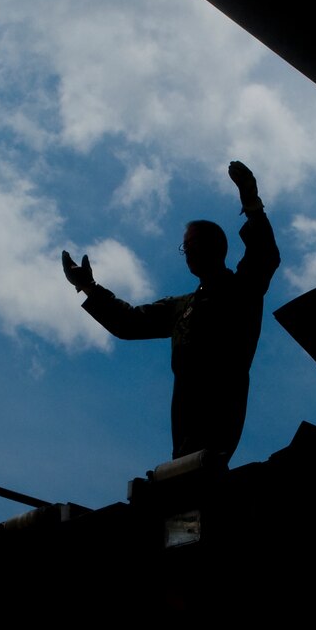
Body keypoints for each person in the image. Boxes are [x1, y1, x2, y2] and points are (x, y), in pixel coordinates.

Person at [62, 161, 280, 459]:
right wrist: (88, 286)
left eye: (191, 244)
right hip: (185, 408)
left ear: (215, 247)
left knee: (202, 465)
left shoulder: (241, 289)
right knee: (183, 468)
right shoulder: (181, 306)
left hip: (222, 401)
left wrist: (252, 204)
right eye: (184, 246)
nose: (187, 252)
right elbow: (129, 322)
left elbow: (263, 254)